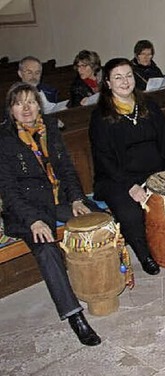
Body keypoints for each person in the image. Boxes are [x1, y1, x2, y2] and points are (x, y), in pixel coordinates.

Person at [0, 82, 101, 346]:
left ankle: (98, 284)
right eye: (19, 103)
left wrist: (78, 199)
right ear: (11, 109)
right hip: (25, 210)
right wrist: (33, 220)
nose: (26, 108)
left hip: (57, 199)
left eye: (31, 102)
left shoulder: (49, 131)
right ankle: (74, 316)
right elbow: (9, 191)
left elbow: (67, 170)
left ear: (39, 107)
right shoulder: (5, 141)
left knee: (100, 218)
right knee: (46, 248)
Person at [89, 58, 165, 275]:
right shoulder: (101, 116)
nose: (125, 81)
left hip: (155, 171)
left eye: (129, 75)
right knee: (129, 211)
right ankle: (145, 254)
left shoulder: (148, 106)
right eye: (118, 77)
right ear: (108, 84)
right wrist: (130, 185)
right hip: (117, 177)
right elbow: (104, 159)